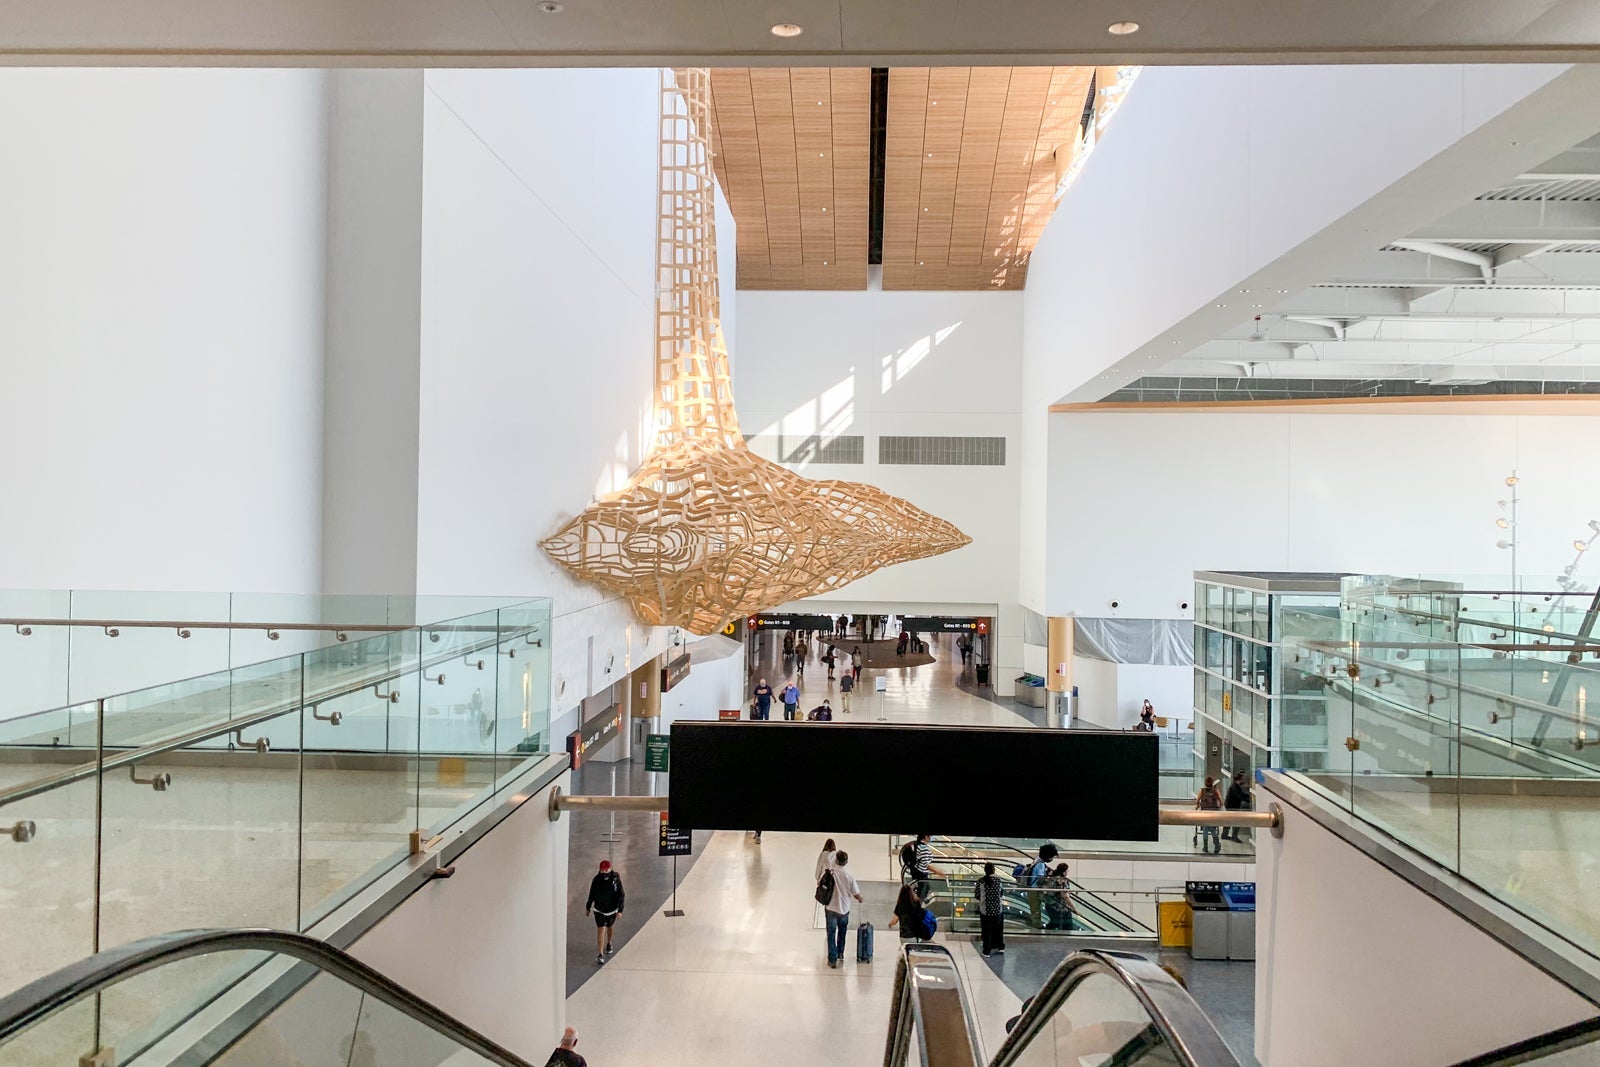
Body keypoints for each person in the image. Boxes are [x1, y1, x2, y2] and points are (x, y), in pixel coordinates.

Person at [823, 849, 864, 968]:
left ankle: (832, 959)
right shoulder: (849, 877)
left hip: (831, 908)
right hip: (844, 910)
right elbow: (856, 893)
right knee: (842, 931)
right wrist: (860, 898)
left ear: (836, 860)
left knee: (831, 934)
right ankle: (840, 952)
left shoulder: (830, 873)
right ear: (846, 862)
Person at [584, 860, 625, 965]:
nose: (604, 871)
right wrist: (588, 907)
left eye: (606, 869)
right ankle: (600, 953)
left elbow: (621, 894)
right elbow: (592, 893)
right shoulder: (596, 880)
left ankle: (609, 943)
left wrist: (620, 910)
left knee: (610, 926)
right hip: (599, 909)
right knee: (601, 929)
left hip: (612, 909)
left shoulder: (615, 879)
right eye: (602, 869)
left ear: (609, 868)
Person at [1020, 843, 1057, 928]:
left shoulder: (1036, 859)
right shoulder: (1040, 864)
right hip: (1034, 891)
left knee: (1035, 910)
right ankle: (1037, 928)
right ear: (1047, 855)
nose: (1052, 859)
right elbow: (1040, 879)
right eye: (1052, 857)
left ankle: (1037, 927)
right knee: (1036, 911)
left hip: (1031, 889)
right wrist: (1049, 875)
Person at [974, 862, 1005, 956]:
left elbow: (977, 895)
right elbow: (1001, 893)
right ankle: (1000, 947)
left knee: (986, 931)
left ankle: (986, 951)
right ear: (994, 870)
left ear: (985, 870)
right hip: (997, 910)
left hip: (985, 910)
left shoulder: (981, 881)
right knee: (998, 929)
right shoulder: (998, 881)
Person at [904, 833, 945, 903]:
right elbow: (927, 865)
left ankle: (918, 903)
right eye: (931, 836)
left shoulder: (918, 844)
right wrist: (939, 873)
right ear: (926, 836)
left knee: (925, 890)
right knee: (922, 893)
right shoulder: (924, 848)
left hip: (917, 872)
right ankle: (917, 907)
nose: (932, 838)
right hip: (921, 873)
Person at [1042, 862, 1074, 931]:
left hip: (1049, 905)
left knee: (1055, 922)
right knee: (1067, 925)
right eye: (1067, 870)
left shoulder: (1051, 878)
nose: (1067, 872)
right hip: (1060, 908)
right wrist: (1074, 909)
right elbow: (1065, 896)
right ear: (1064, 872)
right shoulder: (1063, 881)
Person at [1196, 776, 1224, 854]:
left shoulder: (1202, 791)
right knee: (1212, 829)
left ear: (1205, 783)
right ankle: (1216, 846)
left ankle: (1205, 847)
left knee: (1205, 829)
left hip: (1205, 813)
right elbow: (1221, 802)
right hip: (1213, 814)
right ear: (1212, 783)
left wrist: (1197, 806)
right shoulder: (1215, 791)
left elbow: (1197, 800)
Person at [1222, 771, 1251, 842]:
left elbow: (1241, 795)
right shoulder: (1235, 787)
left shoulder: (1235, 786)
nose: (1243, 781)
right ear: (1238, 780)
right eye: (1242, 779)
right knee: (1236, 821)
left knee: (1229, 820)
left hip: (1230, 805)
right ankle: (1233, 836)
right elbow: (1240, 796)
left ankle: (1225, 834)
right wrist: (1249, 799)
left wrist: (1248, 797)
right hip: (1232, 806)